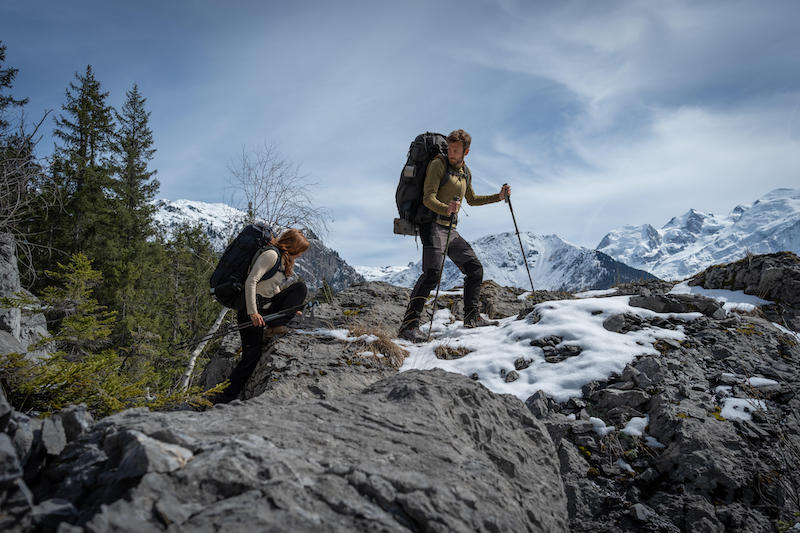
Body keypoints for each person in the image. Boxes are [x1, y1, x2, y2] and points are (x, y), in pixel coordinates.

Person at [399, 129, 510, 343]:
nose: (451, 153)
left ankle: (471, 318)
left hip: (450, 229)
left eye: (456, 150)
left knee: (475, 269)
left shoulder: (465, 172)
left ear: (466, 152)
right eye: (450, 148)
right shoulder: (437, 165)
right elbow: (427, 198)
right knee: (432, 274)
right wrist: (446, 208)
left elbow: (473, 199)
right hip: (432, 225)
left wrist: (499, 196)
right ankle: (409, 327)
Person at [217, 228, 310, 403]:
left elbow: (272, 287)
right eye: (300, 252)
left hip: (265, 306)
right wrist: (253, 312)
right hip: (250, 309)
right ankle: (222, 398)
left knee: (300, 288)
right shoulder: (271, 255)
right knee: (250, 358)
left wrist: (290, 308)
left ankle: (273, 327)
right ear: (293, 247)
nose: (300, 256)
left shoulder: (282, 260)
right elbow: (251, 281)